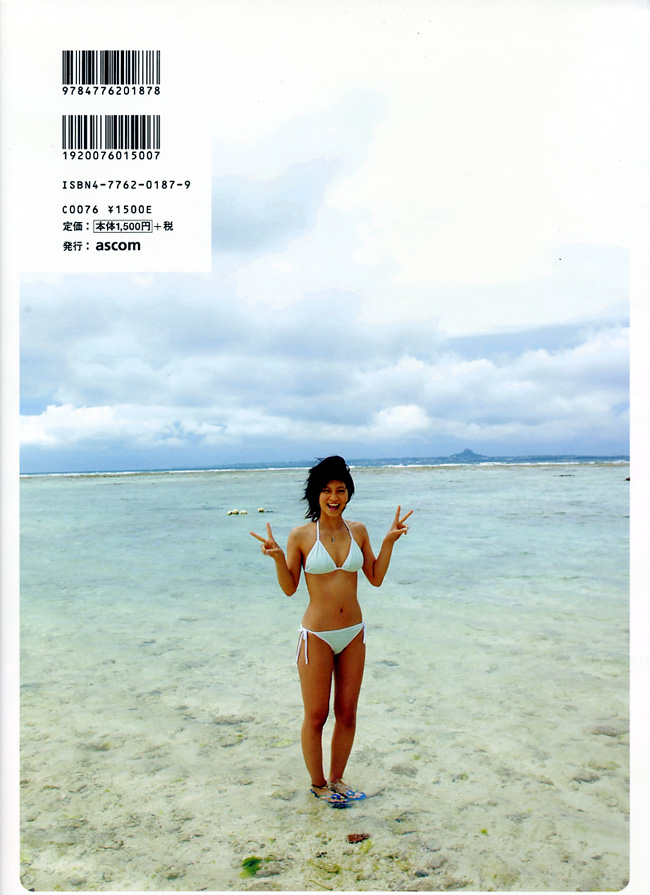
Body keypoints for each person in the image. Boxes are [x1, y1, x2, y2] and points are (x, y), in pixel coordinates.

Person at [250, 456, 412, 805]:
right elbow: (290, 588)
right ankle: (318, 784)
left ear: (349, 493)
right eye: (326, 490)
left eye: (340, 490)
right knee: (316, 716)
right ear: (316, 494)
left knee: (347, 713)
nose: (334, 497)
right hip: (317, 636)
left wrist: (389, 542)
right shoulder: (301, 535)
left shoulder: (359, 531)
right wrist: (278, 558)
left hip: (353, 632)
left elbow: (375, 577)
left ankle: (337, 780)